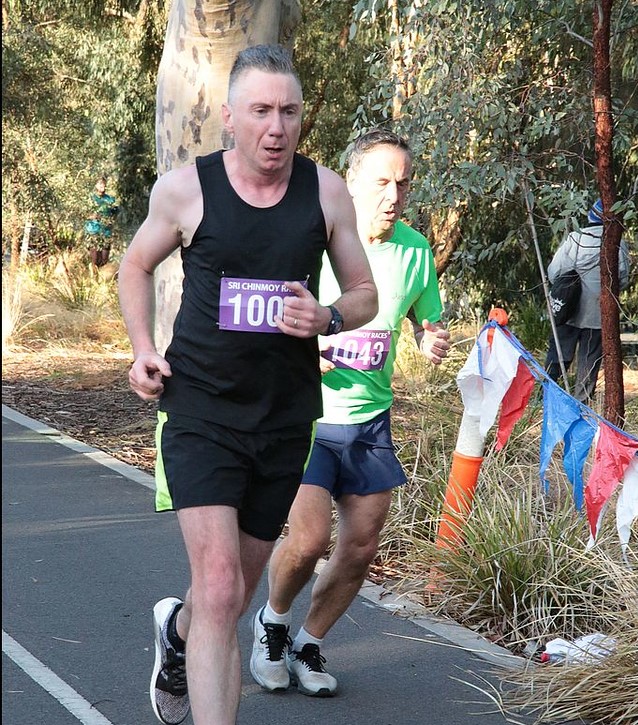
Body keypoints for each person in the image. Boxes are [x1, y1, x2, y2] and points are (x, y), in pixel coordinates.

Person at [117, 45, 378, 725]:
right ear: (229, 117)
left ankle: (177, 635)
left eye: (289, 111)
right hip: (200, 408)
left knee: (227, 599)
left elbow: (363, 292)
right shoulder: (185, 190)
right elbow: (135, 264)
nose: (276, 126)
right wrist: (144, 348)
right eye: (261, 110)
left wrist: (325, 316)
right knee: (222, 581)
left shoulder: (324, 193)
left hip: (285, 419)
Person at [250, 129, 451, 697]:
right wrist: (307, 347)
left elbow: (422, 320)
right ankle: (273, 623)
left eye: (404, 184)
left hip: (371, 421)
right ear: (352, 184)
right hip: (308, 416)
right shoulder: (314, 239)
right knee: (309, 539)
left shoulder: (415, 249)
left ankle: (309, 643)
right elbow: (265, 313)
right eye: (383, 182)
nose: (395, 195)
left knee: (361, 545)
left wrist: (429, 339)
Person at [545, 198, 630, 402]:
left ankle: (548, 396)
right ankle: (581, 404)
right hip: (598, 314)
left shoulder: (576, 238)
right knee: (589, 363)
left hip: (568, 309)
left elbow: (554, 272)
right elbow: (623, 278)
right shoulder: (618, 243)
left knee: (559, 355)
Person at [84, 176, 119, 266]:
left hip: (106, 233)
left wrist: (111, 222)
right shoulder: (90, 199)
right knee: (95, 260)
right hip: (93, 231)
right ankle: (93, 278)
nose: (102, 185)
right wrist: (92, 216)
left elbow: (115, 213)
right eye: (100, 183)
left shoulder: (110, 199)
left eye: (103, 183)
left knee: (104, 260)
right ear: (96, 185)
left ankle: (102, 278)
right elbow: (82, 213)